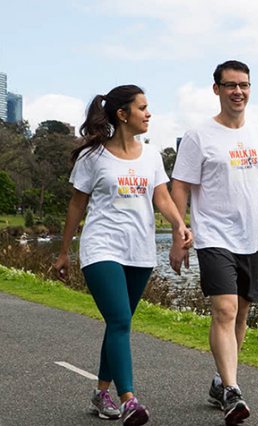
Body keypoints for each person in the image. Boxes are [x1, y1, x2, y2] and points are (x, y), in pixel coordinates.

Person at [169, 60, 258, 424]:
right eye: (230, 85)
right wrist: (179, 233)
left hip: (255, 235)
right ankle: (232, 390)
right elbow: (180, 186)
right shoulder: (198, 136)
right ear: (216, 89)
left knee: (242, 313)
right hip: (214, 235)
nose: (238, 92)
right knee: (225, 310)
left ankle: (219, 382)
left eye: (244, 85)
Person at [53, 85, 192, 426]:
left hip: (140, 250)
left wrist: (179, 225)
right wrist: (63, 253)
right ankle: (129, 399)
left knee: (120, 323)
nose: (149, 114)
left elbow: (161, 197)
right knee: (119, 321)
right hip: (101, 247)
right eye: (142, 108)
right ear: (122, 114)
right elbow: (77, 204)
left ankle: (101, 392)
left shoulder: (151, 155)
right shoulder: (93, 157)